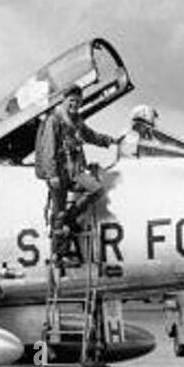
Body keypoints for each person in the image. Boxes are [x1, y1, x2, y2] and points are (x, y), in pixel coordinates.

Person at [41, 85, 122, 259]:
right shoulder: (54, 120)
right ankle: (58, 254)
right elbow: (49, 149)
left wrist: (110, 140)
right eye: (71, 101)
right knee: (58, 214)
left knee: (97, 190)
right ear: (64, 101)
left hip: (75, 171)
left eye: (78, 102)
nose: (75, 105)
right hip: (59, 174)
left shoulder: (77, 119)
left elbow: (90, 135)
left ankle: (70, 219)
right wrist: (52, 174)